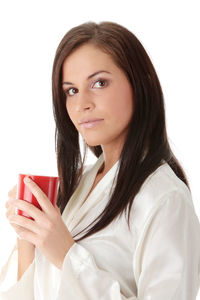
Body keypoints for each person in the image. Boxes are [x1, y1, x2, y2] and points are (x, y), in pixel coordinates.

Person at [0, 21, 200, 300]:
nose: (82, 103)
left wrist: (67, 255)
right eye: (71, 90)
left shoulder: (165, 199)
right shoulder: (79, 186)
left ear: (141, 83)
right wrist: (29, 237)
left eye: (99, 83)